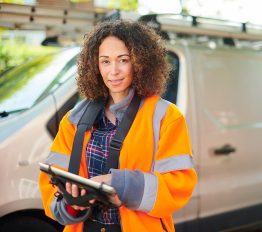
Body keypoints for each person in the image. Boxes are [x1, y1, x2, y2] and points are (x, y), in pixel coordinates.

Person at [39, 20, 197, 232]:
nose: (113, 71)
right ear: (95, 65)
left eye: (123, 60)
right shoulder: (73, 120)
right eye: (105, 61)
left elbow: (179, 186)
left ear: (141, 62)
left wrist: (119, 183)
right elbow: (51, 187)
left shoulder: (166, 116)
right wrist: (70, 204)